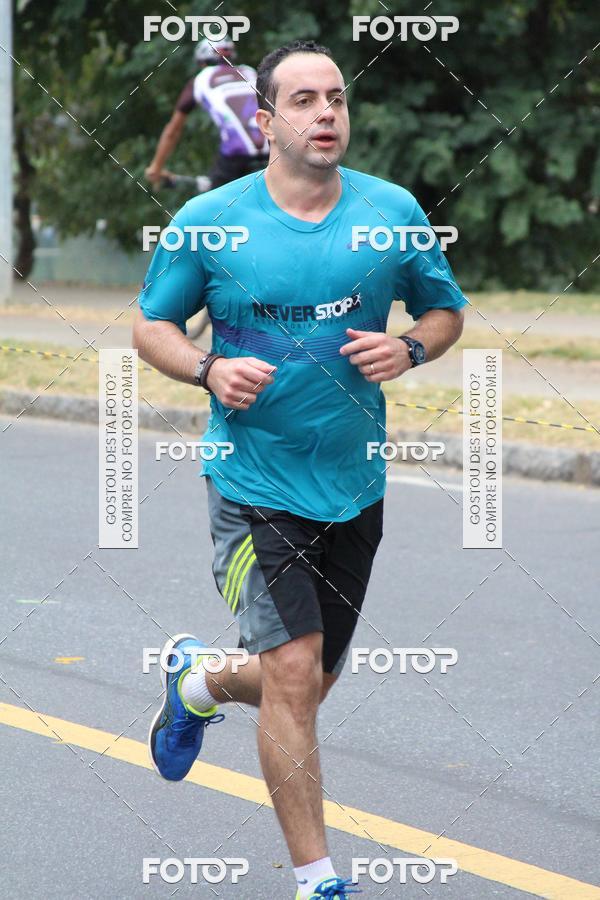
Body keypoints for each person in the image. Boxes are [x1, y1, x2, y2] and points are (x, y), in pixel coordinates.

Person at [134, 39, 466, 900]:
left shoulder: (391, 211)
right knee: (291, 672)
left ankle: (198, 679)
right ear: (265, 122)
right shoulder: (211, 219)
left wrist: (411, 347)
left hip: (353, 482)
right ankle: (318, 880)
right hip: (252, 481)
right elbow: (151, 326)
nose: (327, 114)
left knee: (310, 682)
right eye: (306, 100)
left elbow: (444, 312)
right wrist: (207, 368)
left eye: (337, 98)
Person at [145, 37, 268, 191]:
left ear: (203, 62)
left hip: (235, 152)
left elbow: (173, 131)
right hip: (272, 145)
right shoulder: (249, 73)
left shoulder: (201, 79)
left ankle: (189, 184)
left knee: (216, 198)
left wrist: (156, 167)